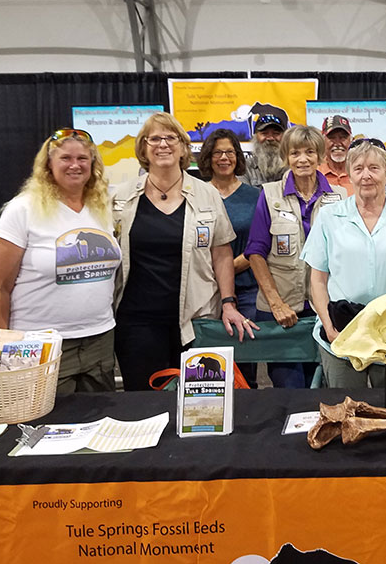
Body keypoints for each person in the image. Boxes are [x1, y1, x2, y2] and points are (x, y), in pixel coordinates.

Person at [113, 112, 254, 391]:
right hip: (137, 323)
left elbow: (222, 252)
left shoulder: (206, 194)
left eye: (171, 138)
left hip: (195, 319)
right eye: (154, 138)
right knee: (144, 402)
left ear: (183, 147)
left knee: (200, 402)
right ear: (143, 148)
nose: (163, 144)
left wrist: (228, 303)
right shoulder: (121, 197)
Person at [0, 128, 121, 393]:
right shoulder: (22, 209)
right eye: (65, 158)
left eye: (82, 158)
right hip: (40, 346)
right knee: (45, 427)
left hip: (99, 340)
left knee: (98, 424)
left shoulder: (103, 208)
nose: (75, 165)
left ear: (93, 164)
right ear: (48, 164)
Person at [301, 138, 386, 388]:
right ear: (350, 175)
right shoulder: (329, 217)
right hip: (343, 335)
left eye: (374, 168)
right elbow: (317, 280)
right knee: (346, 411)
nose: (366, 175)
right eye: (359, 168)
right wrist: (330, 329)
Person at [245, 125, 348, 388]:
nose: (303, 159)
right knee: (288, 390)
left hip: (325, 309)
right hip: (281, 312)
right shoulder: (268, 196)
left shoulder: (340, 197)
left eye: (310, 152)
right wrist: (276, 303)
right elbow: (255, 252)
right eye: (295, 153)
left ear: (320, 155)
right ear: (286, 157)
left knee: (327, 385)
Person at [197, 128, 263, 386]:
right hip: (204, 291)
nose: (224, 158)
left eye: (230, 152)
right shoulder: (196, 194)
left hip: (246, 291)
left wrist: (227, 269)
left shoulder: (255, 196)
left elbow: (260, 244)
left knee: (244, 363)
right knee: (207, 364)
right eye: (217, 152)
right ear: (208, 157)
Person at [240, 109, 288, 186]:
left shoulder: (292, 166)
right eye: (264, 133)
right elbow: (244, 196)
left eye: (276, 133)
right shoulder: (245, 167)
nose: (270, 138)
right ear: (255, 137)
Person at [317, 115, 353, 194]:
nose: (337, 143)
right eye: (332, 138)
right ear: (323, 141)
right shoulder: (315, 173)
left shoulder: (359, 172)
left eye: (343, 137)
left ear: (351, 140)